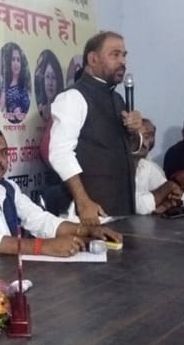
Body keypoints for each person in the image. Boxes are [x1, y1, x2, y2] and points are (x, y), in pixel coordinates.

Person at [0, 127, 122, 273]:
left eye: (3, 153)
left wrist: (86, 230)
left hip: (5, 275)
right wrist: (43, 247)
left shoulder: (7, 187)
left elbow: (39, 220)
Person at [46, 31, 143, 225]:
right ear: (93, 59)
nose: (123, 61)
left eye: (124, 55)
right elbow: (60, 154)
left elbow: (124, 149)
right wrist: (83, 201)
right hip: (90, 214)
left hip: (120, 208)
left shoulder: (117, 99)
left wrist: (134, 131)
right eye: (115, 55)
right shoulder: (73, 97)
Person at [134, 118, 183, 214]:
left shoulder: (146, 166)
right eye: (138, 138)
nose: (144, 143)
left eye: (147, 137)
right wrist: (165, 190)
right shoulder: (112, 166)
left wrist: (168, 203)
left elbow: (179, 196)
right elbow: (135, 206)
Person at [0, 43, 30, 124]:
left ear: (21, 64)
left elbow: (27, 107)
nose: (16, 63)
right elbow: (1, 107)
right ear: (10, 63)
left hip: (24, 126)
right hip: (7, 125)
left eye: (18, 60)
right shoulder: (5, 84)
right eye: (13, 59)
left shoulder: (24, 85)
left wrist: (20, 110)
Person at [34, 50, 63, 121]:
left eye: (53, 77)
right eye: (47, 77)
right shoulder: (40, 110)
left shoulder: (63, 112)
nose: (50, 83)